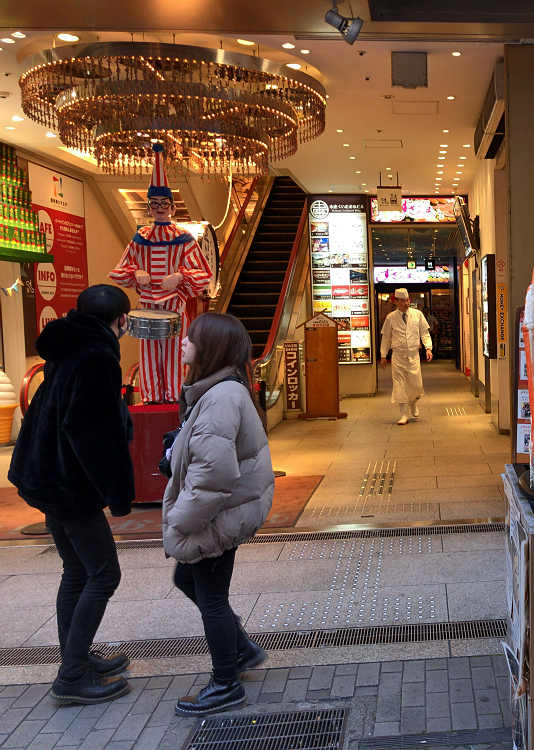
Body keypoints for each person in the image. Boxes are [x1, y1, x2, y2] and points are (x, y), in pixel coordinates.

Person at [8, 284, 135, 705]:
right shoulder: (97, 358)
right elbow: (93, 434)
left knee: (77, 570)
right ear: (119, 321)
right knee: (103, 573)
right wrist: (118, 492)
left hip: (45, 478)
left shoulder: (66, 346)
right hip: (69, 485)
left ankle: (76, 659)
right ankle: (72, 676)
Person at [163, 313, 273, 716]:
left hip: (217, 515)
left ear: (208, 348)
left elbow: (214, 476)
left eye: (189, 339)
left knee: (211, 597)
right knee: (188, 579)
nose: (182, 343)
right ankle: (240, 650)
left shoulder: (221, 397)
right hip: (222, 509)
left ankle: (226, 682)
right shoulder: (214, 391)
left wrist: (181, 522)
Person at [109, 143, 212, 404]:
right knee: (150, 355)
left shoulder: (184, 238)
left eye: (164, 203)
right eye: (154, 203)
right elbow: (119, 271)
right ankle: (153, 398)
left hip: (175, 307)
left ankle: (177, 399)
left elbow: (204, 273)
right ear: (149, 207)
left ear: (172, 207)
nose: (159, 207)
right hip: (146, 309)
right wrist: (136, 273)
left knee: (177, 354)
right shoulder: (140, 238)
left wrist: (181, 276)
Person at [379, 288, 432, 425]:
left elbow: (424, 333)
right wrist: (383, 355)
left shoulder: (418, 314)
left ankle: (413, 402)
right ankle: (403, 414)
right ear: (396, 302)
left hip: (413, 355)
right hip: (398, 356)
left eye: (407, 300)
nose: (406, 303)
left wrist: (428, 348)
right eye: (402, 300)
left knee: (417, 385)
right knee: (399, 385)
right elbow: (386, 338)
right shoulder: (391, 317)